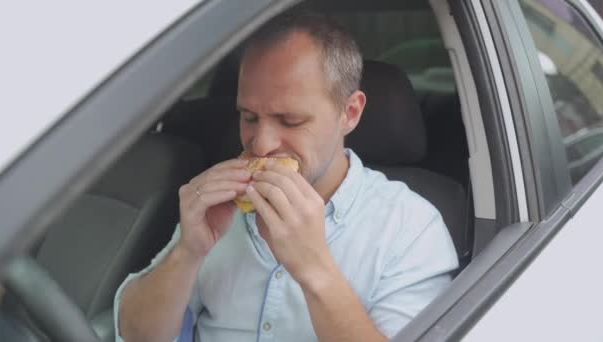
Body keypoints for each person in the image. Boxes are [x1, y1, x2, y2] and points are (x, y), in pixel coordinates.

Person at [114, 12, 458, 342]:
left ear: (349, 113)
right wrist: (187, 252)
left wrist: (313, 267)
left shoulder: (411, 228)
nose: (261, 146)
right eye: (249, 117)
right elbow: (135, 334)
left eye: (290, 121)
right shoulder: (216, 204)